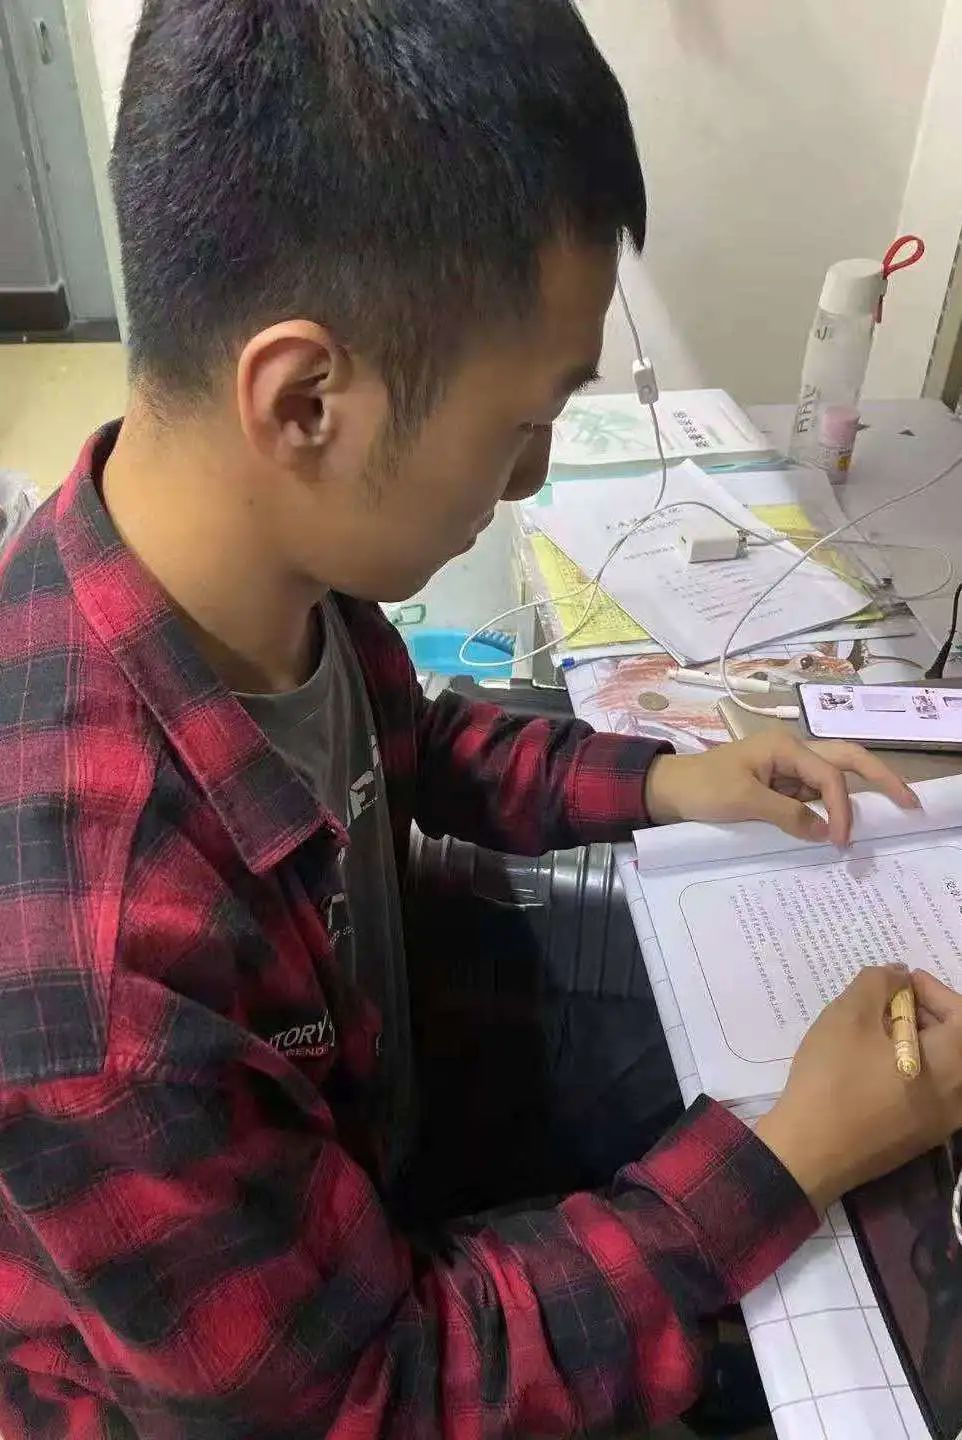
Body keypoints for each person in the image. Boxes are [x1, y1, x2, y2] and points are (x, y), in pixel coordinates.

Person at [1, 2, 961, 1436]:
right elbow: (371, 1396)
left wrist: (672, 782)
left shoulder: (252, 568)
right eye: (522, 425)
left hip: (378, 1112)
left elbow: (410, 745)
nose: (530, 479)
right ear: (306, 401)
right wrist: (784, 1164)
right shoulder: (95, 983)